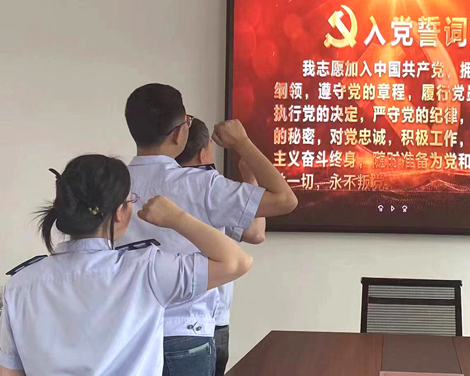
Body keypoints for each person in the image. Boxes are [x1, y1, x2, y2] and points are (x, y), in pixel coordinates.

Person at [0, 155, 253, 375]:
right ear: (120, 212)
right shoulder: (146, 271)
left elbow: (9, 371)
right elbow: (236, 262)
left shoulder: (20, 285)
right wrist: (177, 218)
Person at [121, 83, 297, 376]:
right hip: (185, 333)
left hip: (126, 333)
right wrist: (242, 142)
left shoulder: (111, 183)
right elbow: (285, 199)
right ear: (179, 133)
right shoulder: (200, 184)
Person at [176, 117, 266, 376]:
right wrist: (250, 177)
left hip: (159, 319)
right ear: (204, 151)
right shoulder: (213, 189)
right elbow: (256, 233)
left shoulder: (154, 184)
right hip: (207, 323)